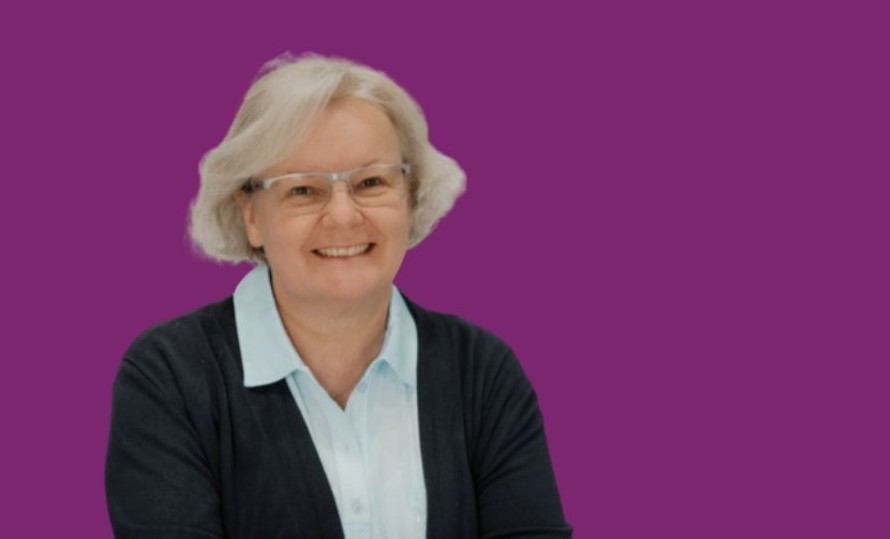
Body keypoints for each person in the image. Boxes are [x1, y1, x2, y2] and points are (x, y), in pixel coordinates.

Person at [105, 53, 571, 539]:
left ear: (410, 197)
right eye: (303, 190)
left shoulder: (482, 372)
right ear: (251, 215)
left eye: (371, 182)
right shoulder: (169, 378)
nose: (344, 216)